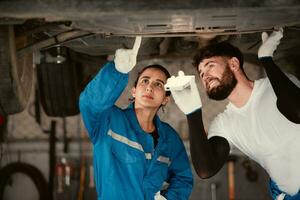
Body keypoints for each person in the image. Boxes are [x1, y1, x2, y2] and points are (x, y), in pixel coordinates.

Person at [165, 28, 300, 200]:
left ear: (234, 64)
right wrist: (192, 112)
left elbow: (298, 112)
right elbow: (205, 170)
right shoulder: (224, 123)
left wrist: (266, 59)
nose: (205, 76)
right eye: (202, 73)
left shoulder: (277, 86)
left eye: (210, 66)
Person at [79, 36, 193, 200]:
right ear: (134, 91)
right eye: (145, 81)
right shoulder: (109, 122)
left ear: (165, 99)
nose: (149, 87)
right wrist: (117, 70)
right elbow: (89, 103)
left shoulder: (169, 139)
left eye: (158, 84)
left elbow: (183, 178)